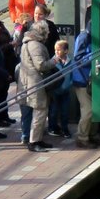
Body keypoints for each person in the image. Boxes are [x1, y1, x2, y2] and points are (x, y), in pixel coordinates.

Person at [70, 10, 100, 149]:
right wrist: (96, 55)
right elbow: (78, 58)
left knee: (96, 109)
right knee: (88, 110)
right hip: (82, 79)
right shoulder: (84, 37)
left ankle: (92, 134)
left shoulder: (96, 37)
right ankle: (82, 137)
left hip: (93, 78)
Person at [18, 20, 56, 152]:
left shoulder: (27, 42)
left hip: (27, 82)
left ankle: (36, 139)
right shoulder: (36, 45)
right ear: (42, 31)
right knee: (40, 111)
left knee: (33, 112)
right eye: (47, 30)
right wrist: (54, 60)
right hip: (35, 83)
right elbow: (41, 65)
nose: (49, 33)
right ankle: (34, 141)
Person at [47, 38, 74, 138]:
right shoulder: (52, 61)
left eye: (59, 50)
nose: (56, 52)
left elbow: (72, 75)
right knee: (53, 111)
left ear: (66, 51)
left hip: (65, 91)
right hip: (54, 91)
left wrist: (70, 84)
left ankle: (65, 128)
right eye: (55, 50)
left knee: (65, 111)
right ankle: (52, 127)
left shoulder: (70, 61)